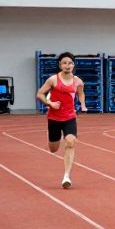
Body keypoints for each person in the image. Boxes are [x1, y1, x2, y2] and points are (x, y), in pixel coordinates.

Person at [36, 51, 87, 188]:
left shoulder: (78, 81)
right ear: (60, 65)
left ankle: (66, 176)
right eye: (64, 63)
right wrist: (50, 104)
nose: (67, 65)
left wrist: (82, 105)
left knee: (70, 142)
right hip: (54, 117)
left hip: (70, 116)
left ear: (73, 65)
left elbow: (81, 94)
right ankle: (52, 139)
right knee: (54, 148)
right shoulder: (53, 80)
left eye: (70, 63)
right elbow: (40, 94)